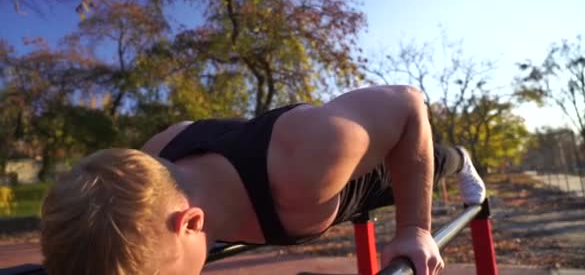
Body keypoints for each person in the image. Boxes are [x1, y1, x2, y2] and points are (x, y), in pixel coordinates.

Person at [40, 85, 485, 275]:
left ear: (192, 223)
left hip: (353, 179)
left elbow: (409, 103)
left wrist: (414, 228)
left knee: (436, 159)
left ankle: (462, 159)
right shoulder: (153, 158)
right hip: (232, 156)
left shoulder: (310, 163)